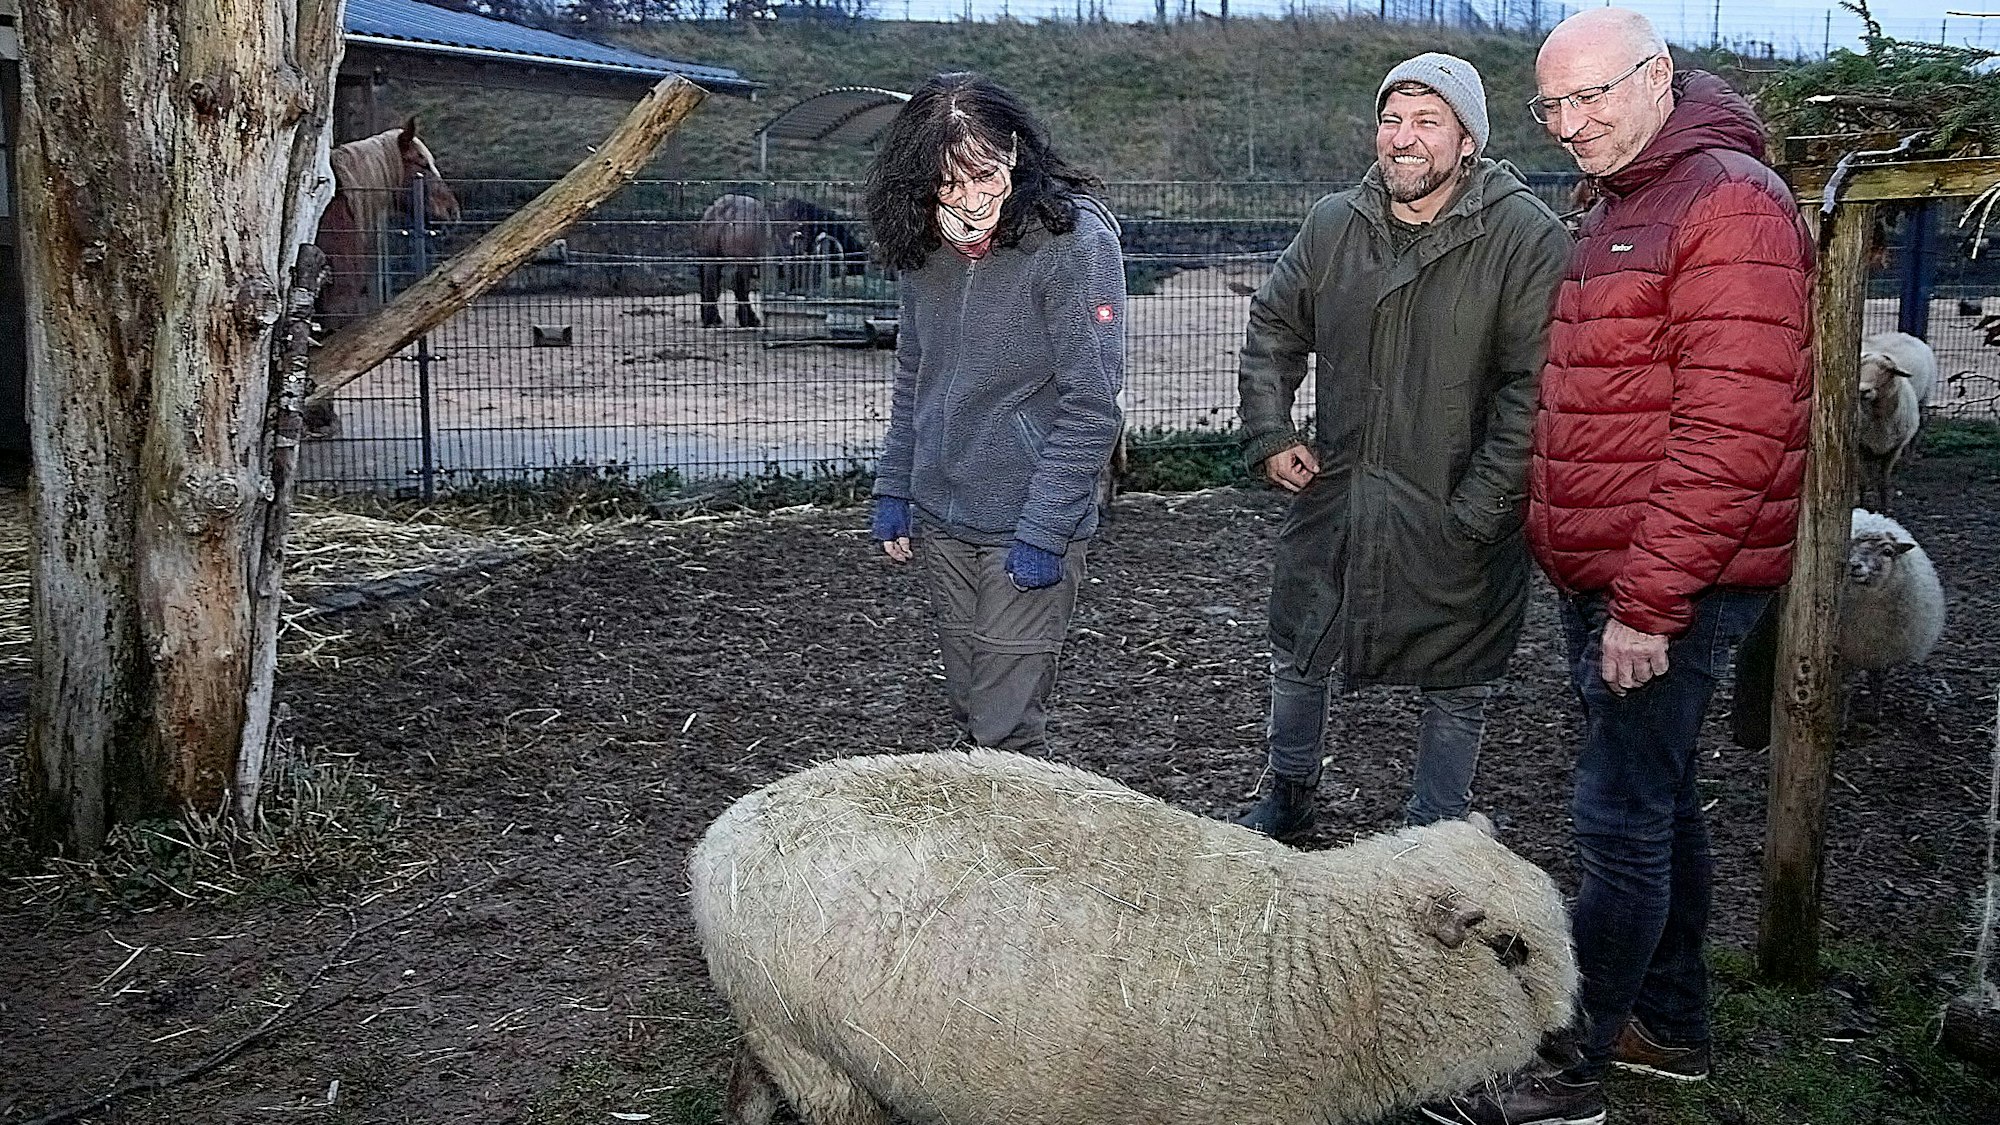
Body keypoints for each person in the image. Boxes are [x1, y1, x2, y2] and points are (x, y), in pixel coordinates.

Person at [1421, 10, 1813, 1125]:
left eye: (1590, 98)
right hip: (1621, 569)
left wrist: (1648, 602)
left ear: (1655, 78)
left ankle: (1565, 1066)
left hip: (1665, 581)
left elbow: (1731, 427)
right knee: (1657, 801)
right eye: (1550, 107)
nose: (1569, 125)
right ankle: (1668, 1024)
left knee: (1617, 823)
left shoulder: (1722, 200)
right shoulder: (1628, 196)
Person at [1233, 53, 1572, 838]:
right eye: (1392, 119)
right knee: (1298, 643)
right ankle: (1287, 797)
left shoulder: (1524, 237)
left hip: (1456, 497)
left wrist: (1481, 505)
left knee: (1460, 676)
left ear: (1467, 142)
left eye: (1427, 121)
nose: (1403, 139)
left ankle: (1435, 832)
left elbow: (1537, 385)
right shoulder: (1333, 225)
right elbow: (1275, 326)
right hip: (1343, 490)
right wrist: (1270, 430)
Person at [866, 72, 1125, 757]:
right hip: (946, 514)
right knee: (970, 702)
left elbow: (1092, 407)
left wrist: (1045, 528)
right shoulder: (925, 246)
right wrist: (896, 484)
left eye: (983, 176)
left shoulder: (1072, 244)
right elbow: (916, 371)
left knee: (1003, 731)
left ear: (1016, 153)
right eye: (946, 185)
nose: (969, 201)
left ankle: (1015, 861)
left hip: (1027, 518)